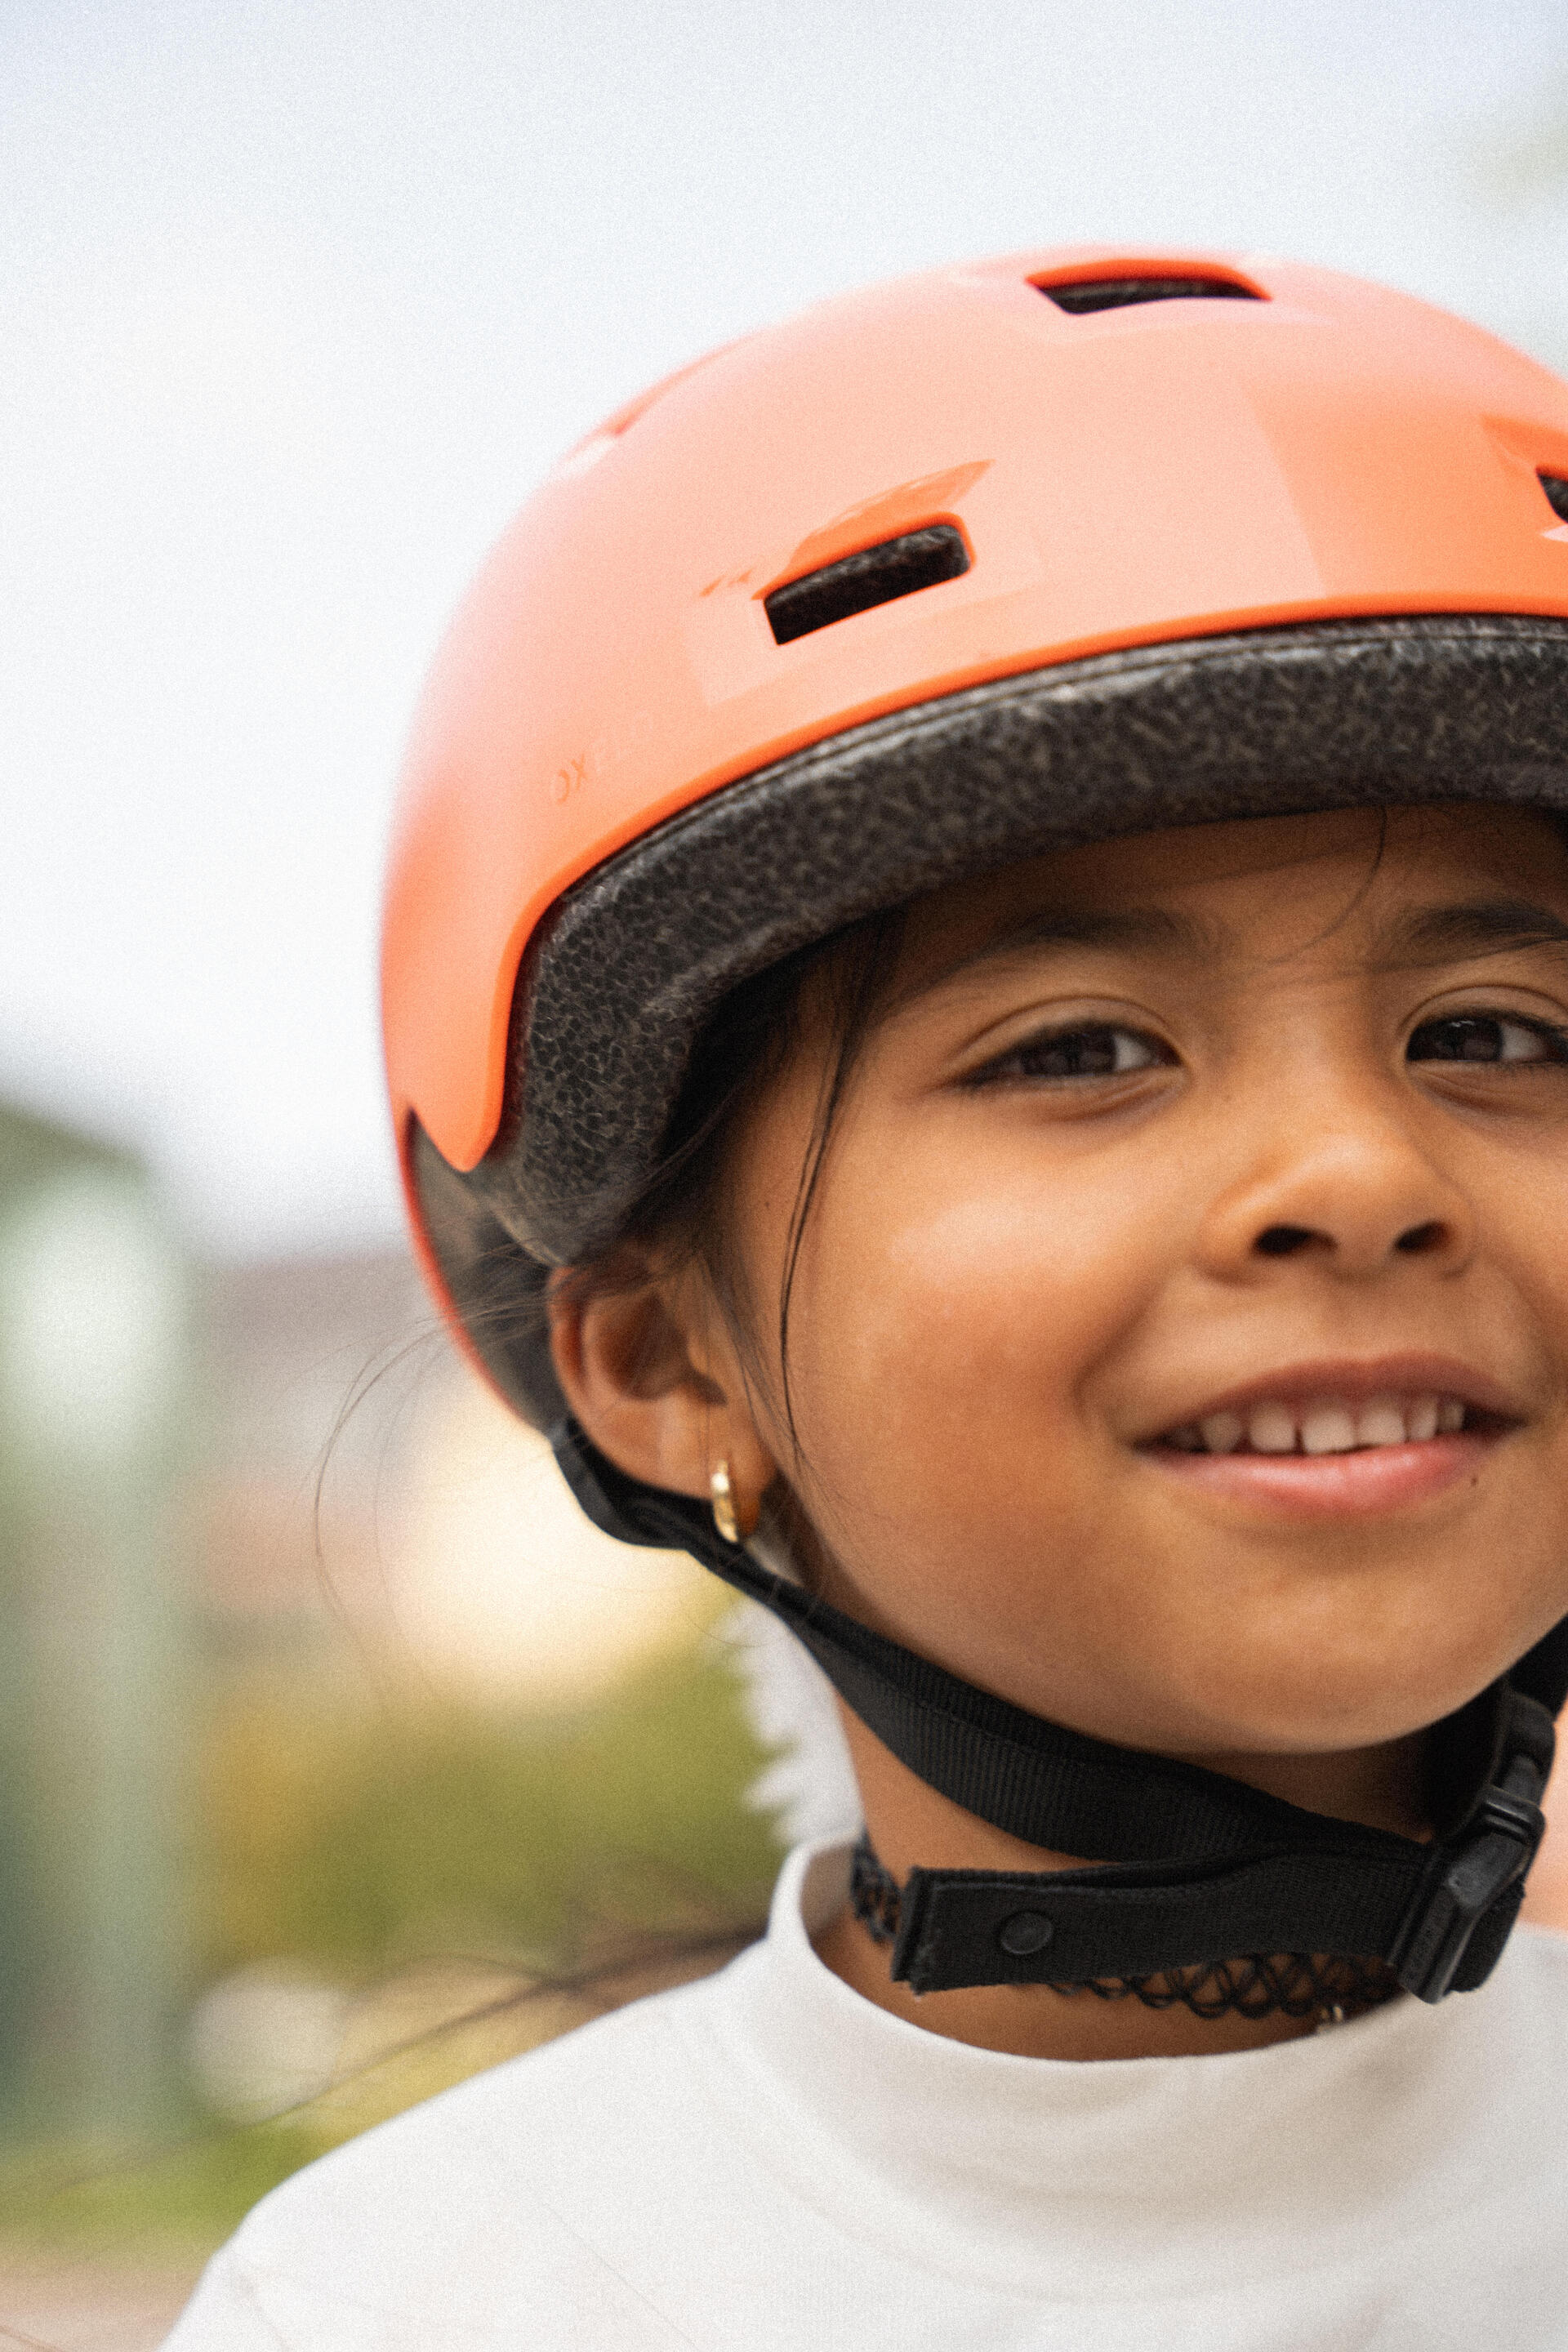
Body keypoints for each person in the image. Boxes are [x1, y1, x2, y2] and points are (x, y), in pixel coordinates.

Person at [166, 247, 1568, 2348]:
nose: (1360, 1177)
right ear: (659, 1362)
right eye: (1080, 1049)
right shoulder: (424, 2305)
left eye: (1498, 1032)